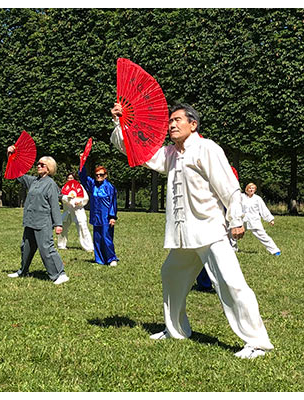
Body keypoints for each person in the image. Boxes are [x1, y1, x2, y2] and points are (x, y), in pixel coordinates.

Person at [110, 102, 273, 359]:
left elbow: (229, 186)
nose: (171, 125)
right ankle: (175, 330)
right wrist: (121, 124)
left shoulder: (207, 148)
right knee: (171, 275)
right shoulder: (170, 154)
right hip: (184, 234)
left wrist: (236, 220)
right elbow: (138, 153)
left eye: (177, 120)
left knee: (231, 283)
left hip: (211, 229)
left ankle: (258, 343)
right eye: (170, 122)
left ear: (193, 124)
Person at [6, 152, 69, 285]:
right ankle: (23, 271)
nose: (38, 166)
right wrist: (11, 156)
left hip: (43, 222)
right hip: (30, 221)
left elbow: (55, 205)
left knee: (46, 249)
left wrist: (58, 224)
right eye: (38, 164)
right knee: (26, 247)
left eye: (42, 164)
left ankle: (60, 274)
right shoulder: (34, 181)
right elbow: (18, 174)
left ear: (49, 168)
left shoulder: (50, 184)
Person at [78, 165, 119, 266]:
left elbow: (113, 202)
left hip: (106, 217)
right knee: (97, 238)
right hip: (96, 216)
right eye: (97, 175)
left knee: (106, 237)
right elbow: (83, 177)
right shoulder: (93, 185)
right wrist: (82, 164)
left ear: (105, 175)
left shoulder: (109, 187)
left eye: (101, 175)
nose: (99, 176)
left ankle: (111, 258)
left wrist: (112, 217)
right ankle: (100, 259)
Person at [232, 182, 281, 255]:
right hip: (242, 219)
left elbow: (263, 209)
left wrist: (270, 219)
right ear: (246, 189)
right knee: (234, 234)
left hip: (254, 220)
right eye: (249, 188)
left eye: (253, 188)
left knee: (262, 235)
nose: (251, 190)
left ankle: (275, 251)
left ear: (255, 190)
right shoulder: (241, 197)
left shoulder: (257, 199)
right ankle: (233, 250)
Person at [57, 172, 94, 252]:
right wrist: (67, 198)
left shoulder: (79, 187)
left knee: (82, 227)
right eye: (68, 178)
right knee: (63, 226)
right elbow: (62, 198)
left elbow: (85, 198)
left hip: (78, 210)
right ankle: (61, 244)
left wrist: (79, 202)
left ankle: (88, 246)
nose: (70, 179)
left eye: (71, 178)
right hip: (68, 211)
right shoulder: (65, 187)